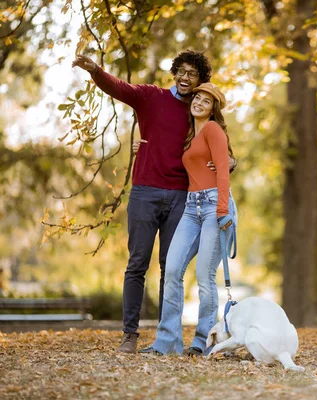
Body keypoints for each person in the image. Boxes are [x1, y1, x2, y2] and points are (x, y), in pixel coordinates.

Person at [72, 51, 236, 353]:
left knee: (170, 269)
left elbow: (221, 149)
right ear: (174, 72)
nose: (186, 78)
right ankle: (130, 335)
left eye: (193, 74)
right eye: (182, 71)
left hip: (182, 198)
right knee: (137, 264)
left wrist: (230, 163)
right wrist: (95, 70)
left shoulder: (198, 113)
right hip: (145, 192)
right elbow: (120, 87)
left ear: (201, 81)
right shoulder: (151, 97)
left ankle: (170, 339)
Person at [139, 83, 237, 356]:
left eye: (207, 101)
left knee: (205, 277)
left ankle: (202, 342)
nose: (200, 103)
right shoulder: (191, 135)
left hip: (213, 207)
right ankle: (168, 342)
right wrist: (141, 147)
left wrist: (221, 211)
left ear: (213, 108)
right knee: (172, 270)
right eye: (198, 97)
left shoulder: (213, 130)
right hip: (191, 208)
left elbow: (223, 173)